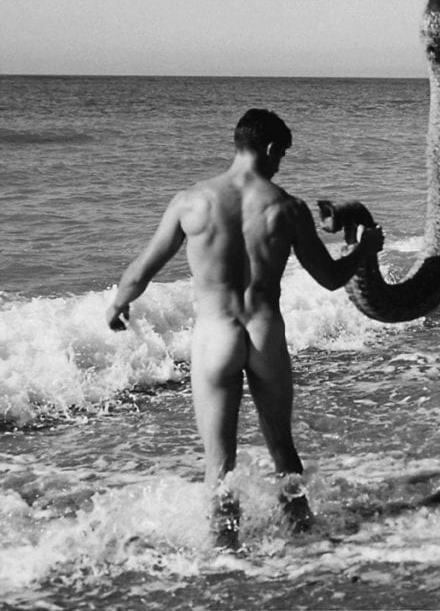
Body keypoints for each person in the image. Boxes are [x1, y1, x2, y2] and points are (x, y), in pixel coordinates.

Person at [106, 108, 382, 549]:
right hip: (265, 333)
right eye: (281, 155)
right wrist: (364, 250)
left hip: (216, 336)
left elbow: (141, 271)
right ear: (271, 149)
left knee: (219, 462)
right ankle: (304, 539)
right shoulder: (287, 208)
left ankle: (225, 554)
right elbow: (330, 277)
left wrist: (119, 303)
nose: (280, 165)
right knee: (282, 449)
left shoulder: (190, 201)